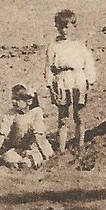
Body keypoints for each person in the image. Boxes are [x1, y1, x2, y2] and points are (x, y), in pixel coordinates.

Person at [43, 9, 98, 152]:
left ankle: (80, 145)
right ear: (57, 27)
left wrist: (89, 80)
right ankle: (61, 149)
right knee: (63, 117)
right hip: (62, 80)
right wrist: (50, 86)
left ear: (74, 26)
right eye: (61, 27)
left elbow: (88, 63)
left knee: (79, 115)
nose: (64, 31)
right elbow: (48, 67)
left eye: (67, 27)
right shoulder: (53, 46)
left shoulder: (79, 45)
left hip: (78, 78)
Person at [0, 85, 54, 169]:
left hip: (36, 148)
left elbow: (38, 136)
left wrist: (45, 156)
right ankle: (17, 164)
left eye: (17, 99)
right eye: (13, 99)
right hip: (18, 148)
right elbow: (2, 134)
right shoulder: (11, 114)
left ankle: (25, 163)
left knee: (33, 158)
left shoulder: (36, 112)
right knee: (7, 157)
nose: (13, 101)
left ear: (29, 101)